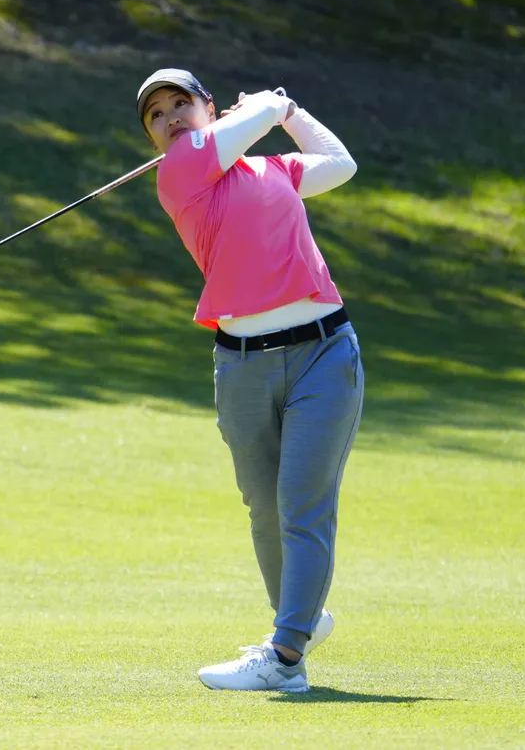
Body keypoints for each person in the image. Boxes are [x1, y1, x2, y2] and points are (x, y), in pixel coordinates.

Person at [135, 68, 365, 693]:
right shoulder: (178, 172)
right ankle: (301, 620)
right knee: (264, 508)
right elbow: (255, 118)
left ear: (209, 108)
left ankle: (285, 657)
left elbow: (339, 164)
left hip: (323, 354)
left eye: (181, 103)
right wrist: (268, 105)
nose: (170, 117)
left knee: (302, 502)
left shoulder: (273, 170)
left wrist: (289, 112)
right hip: (240, 365)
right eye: (156, 114)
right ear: (153, 138)